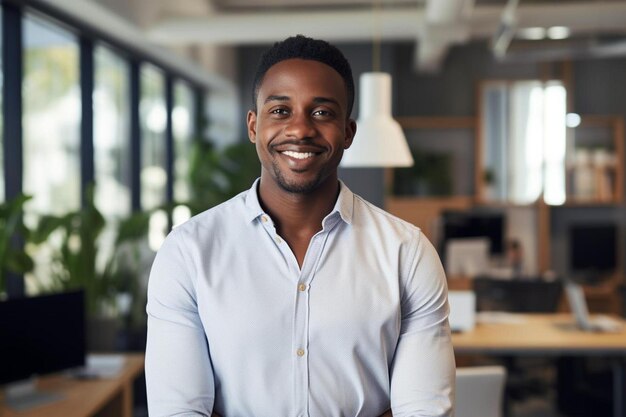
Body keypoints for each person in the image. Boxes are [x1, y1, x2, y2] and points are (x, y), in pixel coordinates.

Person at [145, 35, 455, 417]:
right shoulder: (189, 252)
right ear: (253, 126)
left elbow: (423, 411)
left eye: (322, 112)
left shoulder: (406, 253)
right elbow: (177, 411)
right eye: (280, 110)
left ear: (347, 132)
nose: (300, 129)